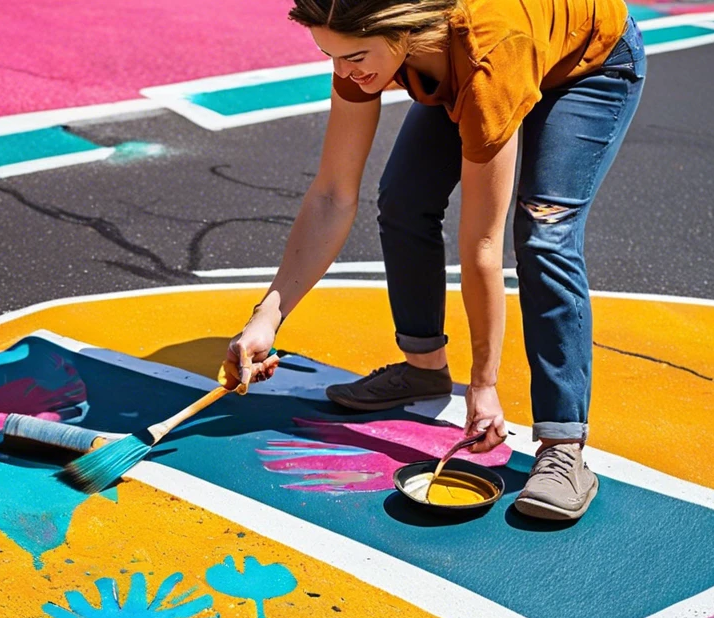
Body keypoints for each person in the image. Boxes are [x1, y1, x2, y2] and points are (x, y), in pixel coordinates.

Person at [224, 0, 646, 521]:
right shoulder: (366, 43)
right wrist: (267, 316)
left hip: (587, 63)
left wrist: (485, 386)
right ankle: (424, 368)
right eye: (328, 56)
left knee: (543, 231)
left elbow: (483, 248)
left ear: (402, 33)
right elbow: (334, 194)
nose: (343, 74)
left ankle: (563, 447)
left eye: (353, 57)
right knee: (403, 198)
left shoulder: (489, 57)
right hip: (466, 56)